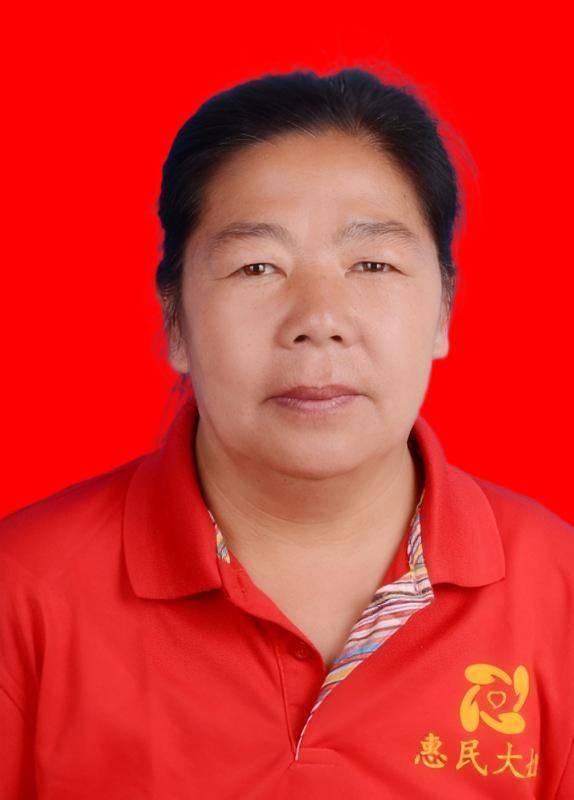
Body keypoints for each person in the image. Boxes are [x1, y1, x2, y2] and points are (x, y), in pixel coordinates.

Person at [1, 67, 572, 800]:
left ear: (443, 312)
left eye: (372, 263)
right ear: (175, 319)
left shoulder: (558, 596)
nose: (318, 319)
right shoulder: (24, 593)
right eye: (257, 266)